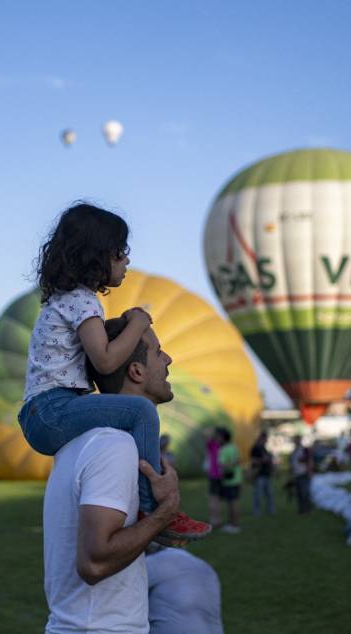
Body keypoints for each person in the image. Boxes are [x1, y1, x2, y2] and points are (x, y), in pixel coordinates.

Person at [18, 203, 209, 544]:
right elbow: (105, 362)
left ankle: (135, 501)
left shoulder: (65, 300)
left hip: (46, 410)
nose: (127, 261)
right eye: (120, 253)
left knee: (124, 420)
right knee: (141, 411)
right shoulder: (83, 301)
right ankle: (152, 509)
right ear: (96, 256)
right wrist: (137, 323)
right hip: (52, 410)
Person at [39, 318, 182, 634]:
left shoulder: (90, 442)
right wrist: (164, 513)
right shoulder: (114, 445)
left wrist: (155, 523)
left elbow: (114, 549)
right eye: (157, 352)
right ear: (135, 370)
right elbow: (95, 561)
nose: (168, 359)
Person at [216, 428, 243, 534]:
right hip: (237, 479)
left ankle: (234, 526)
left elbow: (221, 464)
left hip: (229, 481)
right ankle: (234, 524)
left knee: (232, 503)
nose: (217, 439)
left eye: (218, 437)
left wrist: (229, 465)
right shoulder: (234, 447)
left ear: (223, 438)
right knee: (235, 502)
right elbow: (239, 460)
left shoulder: (223, 450)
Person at [249, 431, 274, 516]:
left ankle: (271, 509)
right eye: (265, 438)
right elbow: (253, 460)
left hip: (266, 473)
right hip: (258, 474)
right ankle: (256, 511)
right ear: (262, 438)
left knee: (269, 494)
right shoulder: (255, 448)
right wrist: (262, 460)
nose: (266, 440)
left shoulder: (264, 448)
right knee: (258, 494)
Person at [289, 435, 314, 514]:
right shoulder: (295, 450)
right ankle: (301, 510)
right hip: (297, 474)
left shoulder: (304, 450)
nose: (295, 441)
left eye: (296, 440)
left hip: (304, 473)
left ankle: (307, 509)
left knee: (304, 493)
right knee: (299, 493)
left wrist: (310, 472)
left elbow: (309, 461)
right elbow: (293, 462)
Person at [204, 429, 223, 528]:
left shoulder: (217, 446)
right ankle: (214, 519)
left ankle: (215, 519)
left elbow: (207, 436)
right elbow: (207, 436)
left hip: (217, 476)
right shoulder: (216, 446)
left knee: (215, 499)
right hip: (216, 476)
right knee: (215, 498)